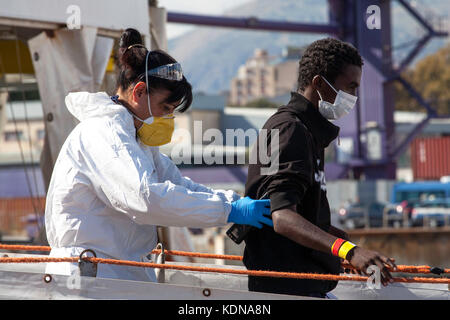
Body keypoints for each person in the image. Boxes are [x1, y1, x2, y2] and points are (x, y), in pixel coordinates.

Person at [44, 28, 272, 282]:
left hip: (115, 271)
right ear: (139, 92)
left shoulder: (135, 140)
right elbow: (146, 198)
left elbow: (178, 185)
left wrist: (233, 202)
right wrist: (229, 209)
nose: (168, 118)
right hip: (90, 275)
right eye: (166, 107)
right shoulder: (104, 133)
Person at [243, 38, 397, 298]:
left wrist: (342, 242)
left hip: (305, 286)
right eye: (351, 87)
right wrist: (348, 251)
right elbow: (281, 217)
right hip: (286, 290)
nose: (354, 97)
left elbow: (303, 214)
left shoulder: (308, 132)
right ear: (319, 84)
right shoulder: (290, 130)